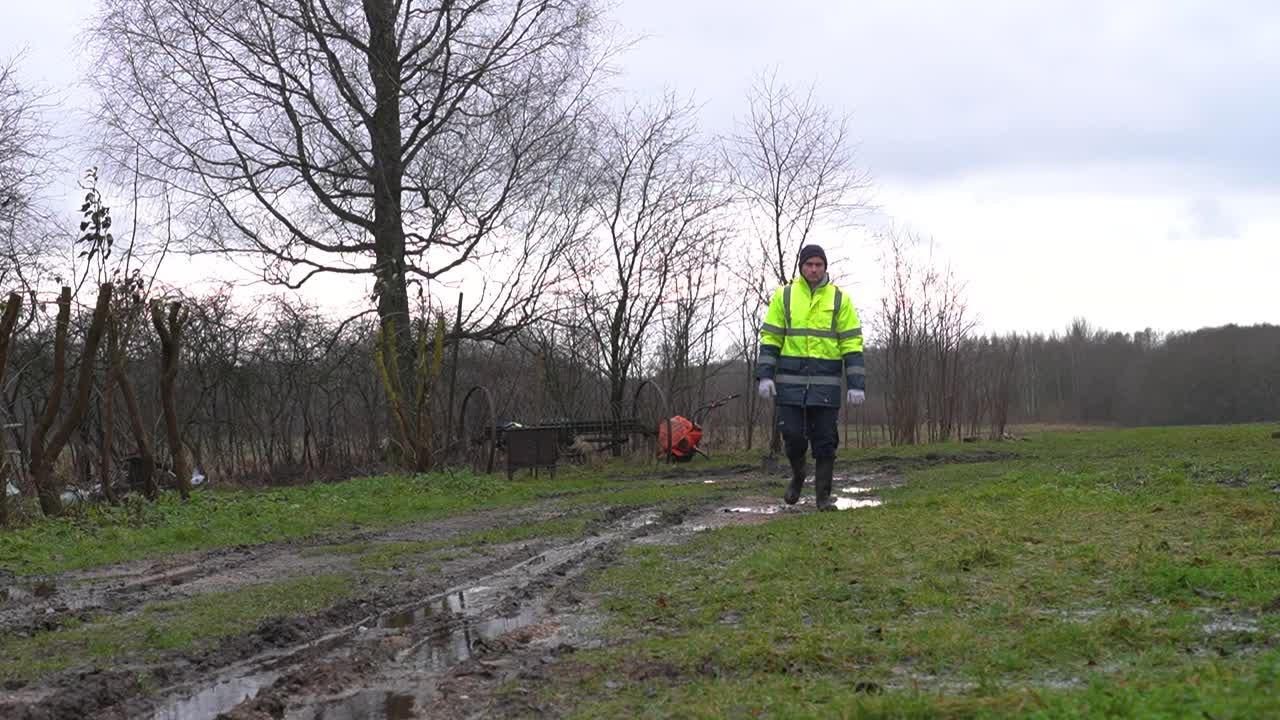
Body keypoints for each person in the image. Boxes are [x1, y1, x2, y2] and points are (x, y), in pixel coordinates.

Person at [756, 245, 865, 511]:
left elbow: (852, 343)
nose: (814, 269)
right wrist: (764, 376)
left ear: (825, 267)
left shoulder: (840, 299)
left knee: (825, 441)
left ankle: (823, 497)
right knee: (792, 437)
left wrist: (856, 384)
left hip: (826, 384)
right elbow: (771, 337)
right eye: (809, 265)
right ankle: (798, 474)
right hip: (789, 384)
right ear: (801, 267)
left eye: (818, 264)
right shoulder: (784, 296)